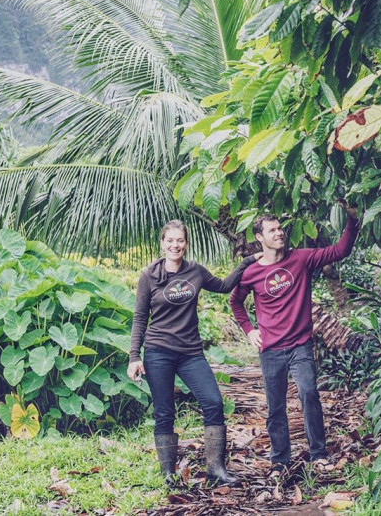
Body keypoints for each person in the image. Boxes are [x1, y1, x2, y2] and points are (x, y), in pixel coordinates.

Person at [127, 219, 261, 487]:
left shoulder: (195, 272)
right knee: (165, 412)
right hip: (158, 352)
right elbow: (140, 317)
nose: (175, 245)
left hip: (190, 352)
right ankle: (168, 474)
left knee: (213, 402)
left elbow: (224, 286)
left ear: (186, 244)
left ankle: (216, 469)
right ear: (163, 243)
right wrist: (134, 356)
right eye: (170, 240)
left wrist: (246, 262)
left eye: (180, 240)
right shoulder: (149, 275)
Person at [229, 204, 360, 476]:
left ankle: (318, 454)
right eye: (272, 230)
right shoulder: (251, 272)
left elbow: (340, 251)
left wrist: (352, 219)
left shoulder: (301, 258)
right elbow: (236, 302)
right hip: (271, 349)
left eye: (280, 228)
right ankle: (280, 461)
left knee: (309, 393)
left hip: (300, 344)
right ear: (260, 238)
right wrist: (249, 329)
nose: (279, 233)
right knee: (275, 406)